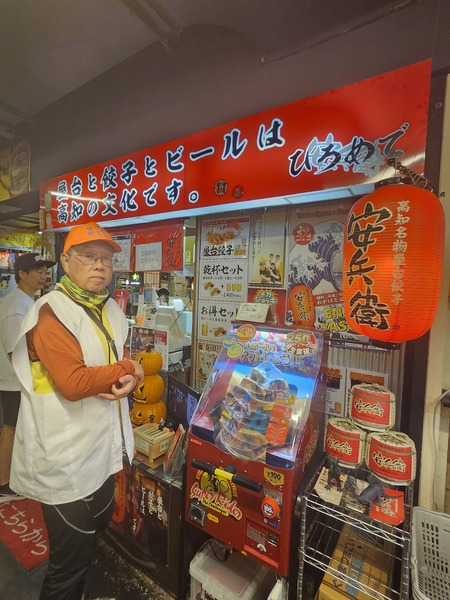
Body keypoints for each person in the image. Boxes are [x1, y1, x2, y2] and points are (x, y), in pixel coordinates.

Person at [10, 222, 145, 600]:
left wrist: (131, 374)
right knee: (68, 564)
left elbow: (117, 361)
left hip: (99, 450)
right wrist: (129, 369)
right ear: (66, 262)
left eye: (106, 259)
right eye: (88, 257)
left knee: (89, 546)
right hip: (62, 458)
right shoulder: (50, 312)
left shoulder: (110, 308)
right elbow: (73, 383)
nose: (100, 265)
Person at [0, 252, 56, 503]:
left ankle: (14, 477)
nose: (44, 276)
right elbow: (15, 351)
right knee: (11, 429)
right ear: (22, 274)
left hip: (23, 379)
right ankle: (3, 484)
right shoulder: (15, 306)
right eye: (38, 271)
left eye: (45, 271)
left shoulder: (27, 301)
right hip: (15, 381)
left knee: (19, 429)